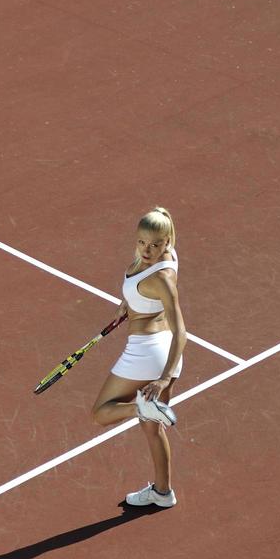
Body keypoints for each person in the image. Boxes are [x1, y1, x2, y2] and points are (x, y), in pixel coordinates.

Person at [90, 207, 186, 508]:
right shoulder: (169, 257)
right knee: (153, 430)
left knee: (101, 412)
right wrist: (127, 303)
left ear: (167, 241)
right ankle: (162, 492)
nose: (147, 250)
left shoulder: (162, 280)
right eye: (143, 242)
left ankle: (141, 408)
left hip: (148, 354)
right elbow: (141, 289)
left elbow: (182, 330)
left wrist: (164, 378)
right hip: (161, 350)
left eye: (155, 244)